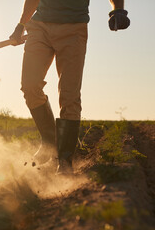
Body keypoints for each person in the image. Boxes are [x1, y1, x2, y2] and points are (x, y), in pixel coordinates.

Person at [9, 0, 130, 174]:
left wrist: (118, 10)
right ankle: (50, 143)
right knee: (29, 86)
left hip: (74, 29)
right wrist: (21, 25)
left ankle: (64, 161)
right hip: (40, 26)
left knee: (69, 95)